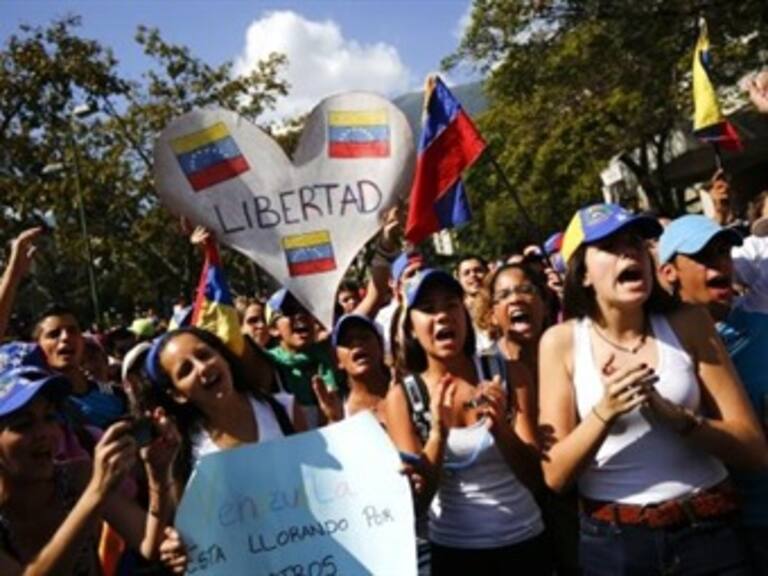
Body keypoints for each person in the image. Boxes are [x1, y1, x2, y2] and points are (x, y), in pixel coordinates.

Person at [539, 203, 767, 575]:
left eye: (635, 241)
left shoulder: (689, 322)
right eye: (610, 246)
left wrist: (682, 421)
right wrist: (604, 412)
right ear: (581, 273)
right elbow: (555, 475)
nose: (629, 252)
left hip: (707, 535)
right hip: (616, 546)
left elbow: (754, 451)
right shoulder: (560, 343)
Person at [386, 268, 547, 574]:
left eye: (450, 305)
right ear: (410, 326)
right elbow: (416, 503)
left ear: (465, 313)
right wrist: (437, 434)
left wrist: (500, 428)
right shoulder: (403, 398)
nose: (443, 316)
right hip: (454, 553)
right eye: (429, 309)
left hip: (525, 544)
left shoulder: (510, 375)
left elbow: (536, 479)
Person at [658, 214, 768, 574]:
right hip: (704, 533)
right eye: (703, 256)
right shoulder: (657, 350)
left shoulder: (762, 329)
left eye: (724, 251)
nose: (720, 262)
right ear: (668, 273)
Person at [0, 365, 177, 574]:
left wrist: (158, 475)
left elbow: (150, 544)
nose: (44, 433)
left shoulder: (76, 477)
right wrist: (96, 493)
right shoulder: (91, 488)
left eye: (49, 417)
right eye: (23, 424)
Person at [145, 326, 306, 487]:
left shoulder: (285, 410)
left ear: (222, 356)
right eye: (186, 370)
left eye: (204, 355)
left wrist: (331, 419)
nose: (203, 368)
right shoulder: (186, 453)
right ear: (177, 395)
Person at [265, 289, 338, 428]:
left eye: (305, 308)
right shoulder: (268, 366)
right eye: (289, 310)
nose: (300, 315)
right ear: (273, 329)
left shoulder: (331, 357)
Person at [330, 314, 389, 425]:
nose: (356, 344)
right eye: (347, 341)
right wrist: (335, 421)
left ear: (381, 345)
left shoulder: (408, 392)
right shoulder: (340, 410)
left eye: (364, 337)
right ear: (337, 359)